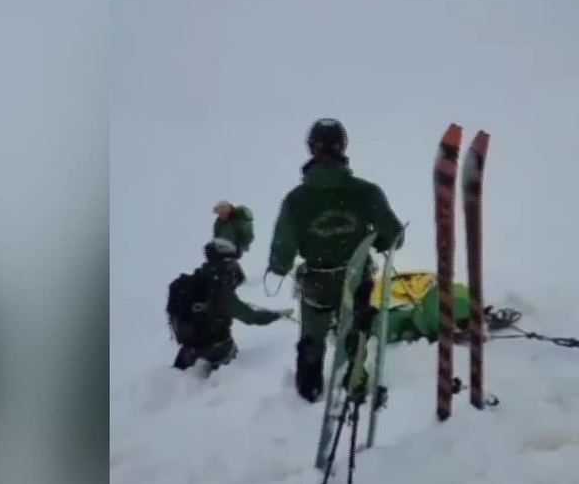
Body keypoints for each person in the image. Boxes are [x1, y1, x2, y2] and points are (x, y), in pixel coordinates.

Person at [266, 118, 405, 403]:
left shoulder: (296, 199)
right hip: (355, 279)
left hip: (317, 282)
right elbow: (393, 237)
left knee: (312, 337)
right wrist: (375, 240)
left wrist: (279, 266)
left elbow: (283, 251)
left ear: (310, 149)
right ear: (343, 147)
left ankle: (308, 388)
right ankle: (354, 379)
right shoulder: (367, 192)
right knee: (356, 329)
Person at [167, 237, 284, 372]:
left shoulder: (199, 279)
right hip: (216, 348)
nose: (235, 265)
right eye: (232, 260)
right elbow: (249, 317)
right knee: (233, 375)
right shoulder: (218, 286)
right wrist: (273, 316)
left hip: (188, 349)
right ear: (225, 261)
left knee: (176, 378)